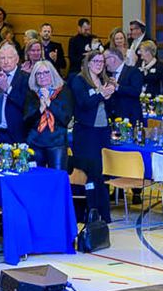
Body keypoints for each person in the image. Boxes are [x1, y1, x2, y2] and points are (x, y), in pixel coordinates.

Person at [67, 50, 115, 222]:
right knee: (89, 173)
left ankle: (102, 213)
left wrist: (109, 95)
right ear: (88, 63)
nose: (98, 64)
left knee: (101, 173)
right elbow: (83, 104)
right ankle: (87, 212)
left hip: (103, 131)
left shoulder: (104, 80)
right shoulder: (79, 80)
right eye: (95, 61)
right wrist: (101, 94)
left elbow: (109, 106)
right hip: (86, 132)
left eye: (101, 61)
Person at [24, 60, 73, 172]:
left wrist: (49, 102)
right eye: (38, 74)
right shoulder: (31, 93)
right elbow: (26, 121)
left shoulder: (63, 91)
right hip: (35, 142)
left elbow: (65, 119)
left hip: (57, 142)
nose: (42, 76)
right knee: (36, 179)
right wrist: (40, 109)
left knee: (56, 179)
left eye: (46, 73)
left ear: (52, 74)